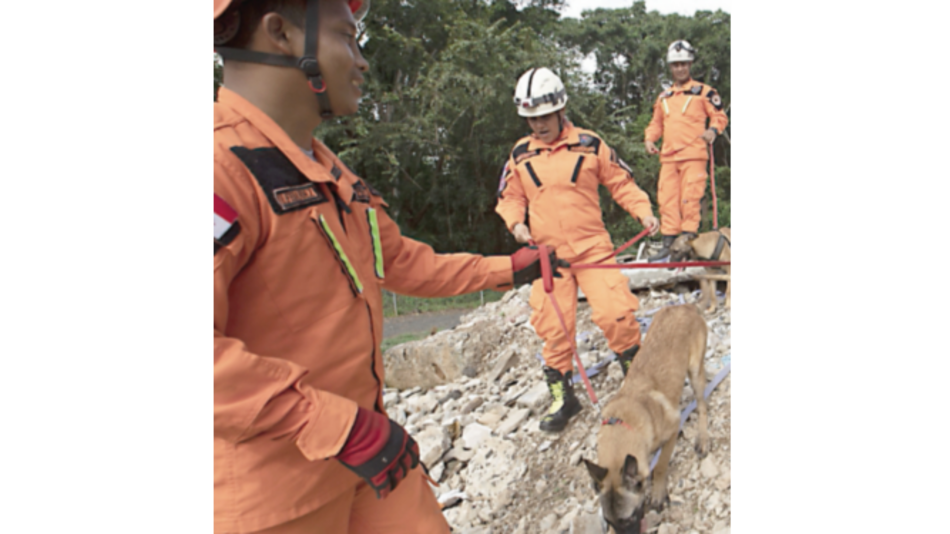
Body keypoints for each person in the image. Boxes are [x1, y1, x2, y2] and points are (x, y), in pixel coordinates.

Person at [211, 2, 562, 532]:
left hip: (369, 464)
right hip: (276, 496)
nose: (362, 61)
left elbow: (399, 261)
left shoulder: (329, 171)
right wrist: (337, 426)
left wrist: (509, 269)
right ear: (280, 34)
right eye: (347, 38)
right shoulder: (223, 169)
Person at [496, 67, 660, 433]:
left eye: (544, 116)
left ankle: (639, 386)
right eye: (531, 119)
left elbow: (621, 182)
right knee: (553, 327)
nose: (538, 125)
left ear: (561, 110)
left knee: (616, 314)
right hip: (548, 257)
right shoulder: (520, 154)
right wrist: (516, 224)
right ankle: (563, 398)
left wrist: (644, 212)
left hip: (593, 250)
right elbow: (510, 196)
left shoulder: (590, 144)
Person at [645, 40, 730, 262]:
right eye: (676, 65)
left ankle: (688, 245)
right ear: (670, 67)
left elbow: (720, 116)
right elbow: (656, 123)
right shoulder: (664, 97)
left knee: (690, 200)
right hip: (668, 157)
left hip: (693, 154)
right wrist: (650, 139)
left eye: (683, 64)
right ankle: (668, 246)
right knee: (667, 200)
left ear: (690, 64)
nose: (680, 68)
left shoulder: (704, 92)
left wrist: (713, 130)